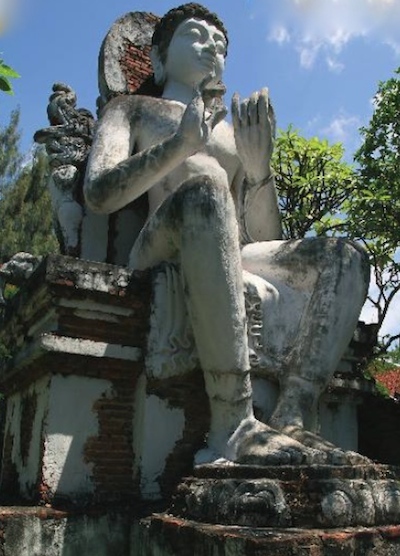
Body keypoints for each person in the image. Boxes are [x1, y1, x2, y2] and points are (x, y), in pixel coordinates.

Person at [84, 3, 369, 465]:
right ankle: (232, 421)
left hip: (227, 247)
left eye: (220, 45)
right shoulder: (133, 109)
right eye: (195, 36)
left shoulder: (233, 134)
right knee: (207, 189)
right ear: (158, 57)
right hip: (163, 241)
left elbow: (259, 235)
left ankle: (293, 413)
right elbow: (98, 194)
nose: (210, 49)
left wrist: (259, 172)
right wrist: (179, 147)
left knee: (347, 256)